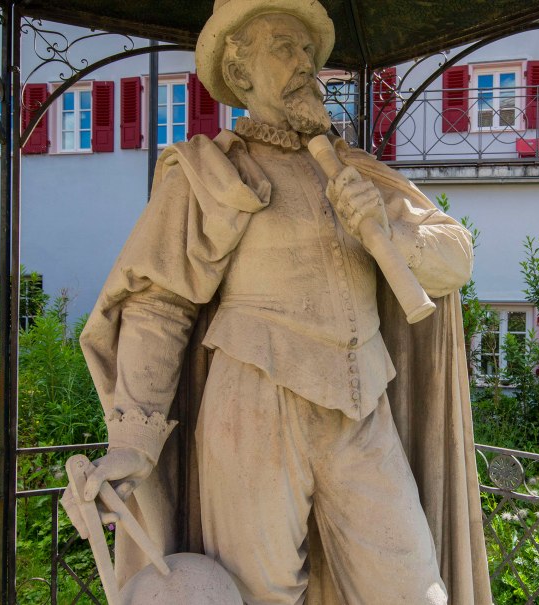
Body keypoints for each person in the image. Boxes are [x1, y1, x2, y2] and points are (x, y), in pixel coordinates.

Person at [75, 0, 490, 603]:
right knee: (257, 595)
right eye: (283, 47)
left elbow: (456, 259)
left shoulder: (356, 171)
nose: (305, 64)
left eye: (309, 51)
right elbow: (158, 304)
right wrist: (133, 441)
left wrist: (391, 232)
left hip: (362, 405)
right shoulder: (210, 173)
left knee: (414, 590)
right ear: (239, 73)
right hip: (254, 404)